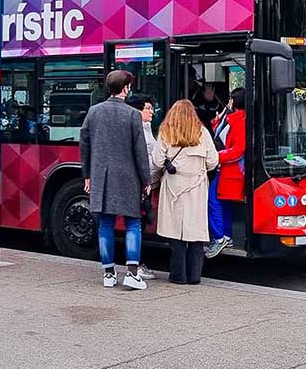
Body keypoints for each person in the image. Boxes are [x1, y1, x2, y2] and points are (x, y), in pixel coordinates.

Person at [79, 70, 150, 290]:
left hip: (101, 176)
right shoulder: (132, 115)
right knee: (133, 223)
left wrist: (88, 175)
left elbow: (85, 144)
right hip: (127, 177)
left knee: (105, 225)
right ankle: (131, 273)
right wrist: (146, 179)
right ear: (126, 88)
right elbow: (140, 151)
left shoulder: (93, 112)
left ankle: (108, 273)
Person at [150, 100, 218, 284]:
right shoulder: (202, 132)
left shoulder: (166, 131)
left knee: (175, 233)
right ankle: (195, 276)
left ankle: (178, 275)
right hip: (196, 185)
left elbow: (156, 161)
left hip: (173, 185)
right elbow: (213, 161)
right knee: (195, 233)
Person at [206, 88, 245, 257]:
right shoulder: (231, 118)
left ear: (232, 101)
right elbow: (222, 136)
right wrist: (217, 122)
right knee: (223, 203)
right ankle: (226, 236)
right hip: (227, 169)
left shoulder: (239, 120)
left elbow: (238, 149)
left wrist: (216, 156)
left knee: (213, 201)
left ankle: (219, 236)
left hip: (230, 169)